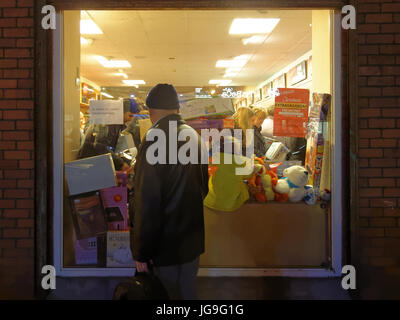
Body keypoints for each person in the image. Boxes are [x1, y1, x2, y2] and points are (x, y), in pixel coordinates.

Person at [131, 83, 209, 300]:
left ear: (151, 110)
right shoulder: (194, 136)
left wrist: (142, 251)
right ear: (176, 109)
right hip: (191, 242)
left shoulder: (155, 138)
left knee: (165, 295)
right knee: (186, 293)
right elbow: (204, 187)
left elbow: (147, 200)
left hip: (163, 248)